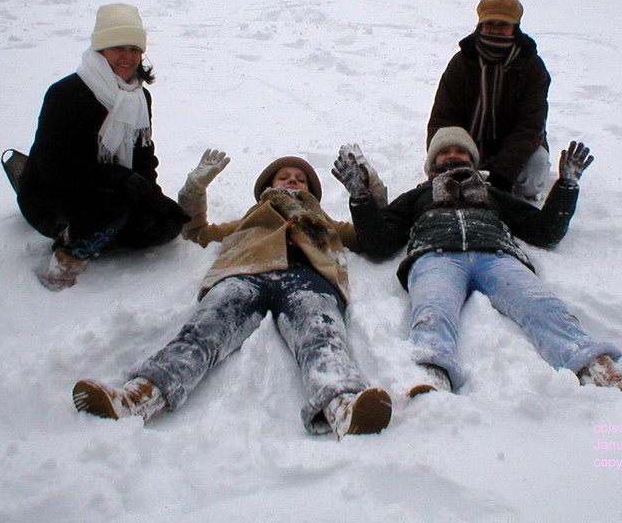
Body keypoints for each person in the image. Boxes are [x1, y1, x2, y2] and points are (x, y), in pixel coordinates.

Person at [72, 151, 393, 438]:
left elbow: (369, 236)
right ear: (268, 185)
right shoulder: (251, 218)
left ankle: (343, 407)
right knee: (204, 331)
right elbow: (197, 233)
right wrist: (194, 191)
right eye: (285, 177)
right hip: (246, 273)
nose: (293, 181)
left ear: (311, 192)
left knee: (322, 336)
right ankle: (137, 396)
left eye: (301, 179)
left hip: (307, 280)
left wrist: (368, 191)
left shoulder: (323, 221)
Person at [332, 126, 622, 396]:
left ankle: (601, 372)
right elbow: (378, 244)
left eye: (460, 151)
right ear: (432, 163)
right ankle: (432, 379)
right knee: (433, 312)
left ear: (473, 159)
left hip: (497, 257)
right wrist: (361, 198)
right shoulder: (417, 195)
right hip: (435, 257)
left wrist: (567, 186)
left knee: (543, 306)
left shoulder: (493, 193)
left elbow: (544, 231)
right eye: (444, 152)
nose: (452, 156)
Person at [16, 3, 187, 291]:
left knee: (168, 223)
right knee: (113, 206)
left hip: (112, 190)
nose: (128, 57)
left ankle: (106, 234)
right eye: (118, 47)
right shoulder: (66, 93)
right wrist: (121, 180)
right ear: (100, 50)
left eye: (134, 49)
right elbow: (53, 166)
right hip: (52, 196)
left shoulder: (138, 96)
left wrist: (151, 195)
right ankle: (68, 255)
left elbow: (143, 154)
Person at [427, 0, 551, 199]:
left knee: (535, 166)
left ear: (515, 27)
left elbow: (530, 126)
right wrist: (452, 156)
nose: (495, 29)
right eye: (489, 23)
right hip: (466, 147)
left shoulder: (532, 67)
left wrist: (503, 174)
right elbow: (443, 118)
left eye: (502, 24)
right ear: (480, 25)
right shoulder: (461, 63)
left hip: (513, 149)